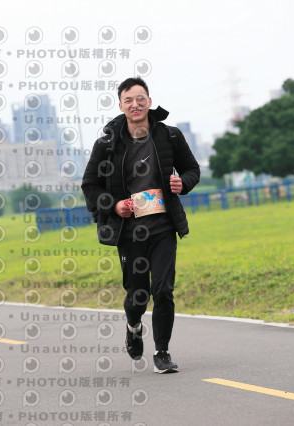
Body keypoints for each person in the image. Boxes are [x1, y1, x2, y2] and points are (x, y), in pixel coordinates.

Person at [81, 77, 200, 373]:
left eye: (140, 98)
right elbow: (90, 185)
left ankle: (162, 352)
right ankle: (133, 326)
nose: (135, 104)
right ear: (121, 105)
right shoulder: (107, 144)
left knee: (163, 290)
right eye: (129, 100)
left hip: (163, 226)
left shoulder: (169, 136)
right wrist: (115, 205)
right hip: (129, 231)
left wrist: (182, 183)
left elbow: (192, 169)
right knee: (138, 295)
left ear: (149, 101)